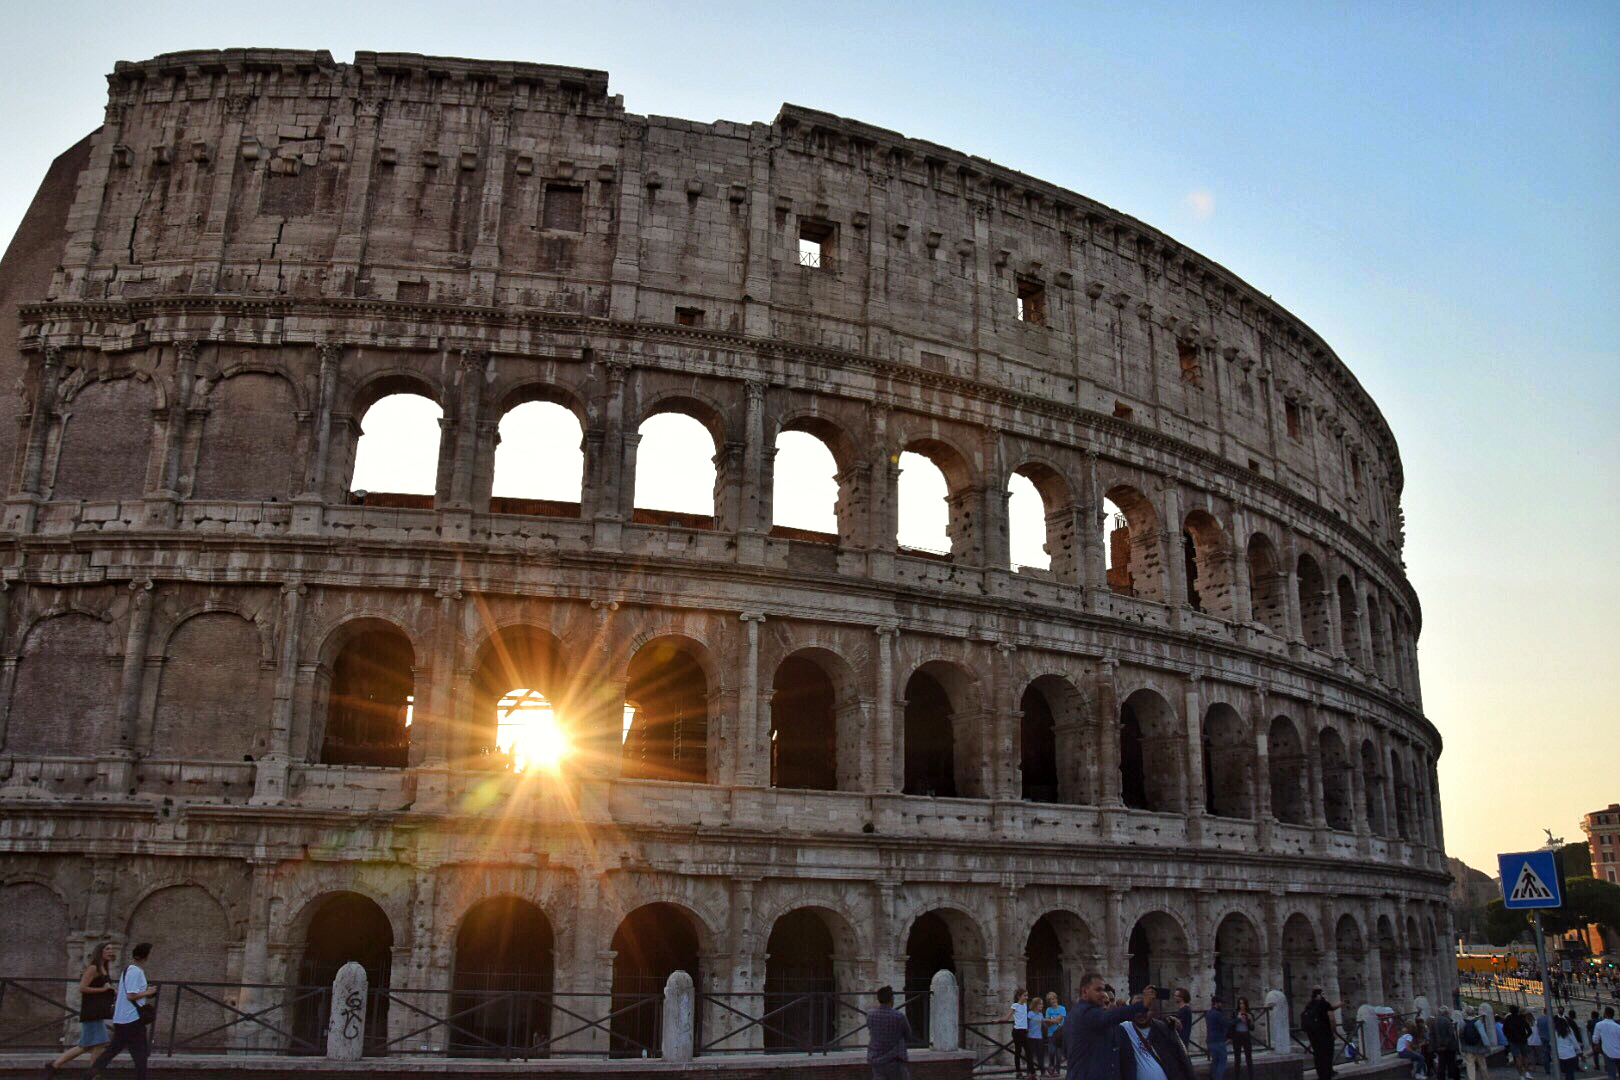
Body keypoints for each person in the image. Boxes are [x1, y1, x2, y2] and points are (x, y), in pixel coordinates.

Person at [86, 941, 156, 1080]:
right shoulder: (135, 972)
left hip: (125, 1019)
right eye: (150, 953)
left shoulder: (130, 969)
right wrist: (149, 992)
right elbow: (131, 995)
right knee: (140, 1053)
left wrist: (146, 991)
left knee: (115, 1050)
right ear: (145, 956)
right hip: (132, 1019)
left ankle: (90, 1074)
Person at [1064, 975, 1154, 1080]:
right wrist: (1142, 1005)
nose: (1102, 994)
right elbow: (1110, 1016)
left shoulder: (1096, 1018)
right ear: (1085, 992)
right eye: (1098, 990)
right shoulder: (1084, 1012)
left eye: (1103, 990)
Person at [46, 942, 117, 1075]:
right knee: (101, 1043)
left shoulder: (104, 967)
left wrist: (112, 991)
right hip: (91, 1011)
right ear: (100, 951)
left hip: (98, 1011)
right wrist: (103, 990)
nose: (110, 951)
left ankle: (55, 1065)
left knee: (85, 1045)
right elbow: (82, 988)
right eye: (107, 949)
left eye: (111, 949)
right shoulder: (93, 968)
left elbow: (104, 987)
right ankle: (93, 1074)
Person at [1119, 1006, 1196, 1080]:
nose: (1141, 1014)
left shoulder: (1164, 1029)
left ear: (1153, 1010)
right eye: (1137, 1009)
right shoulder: (1125, 1028)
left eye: (1146, 1010)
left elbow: (1181, 1059)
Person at [865, 985, 912, 1080]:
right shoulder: (899, 1016)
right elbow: (908, 1034)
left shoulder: (870, 1015)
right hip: (895, 1060)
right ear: (891, 999)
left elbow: (871, 1029)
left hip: (876, 1059)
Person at [1301, 988, 1341, 1080]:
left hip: (1313, 1034)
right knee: (1327, 1054)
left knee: (1318, 1054)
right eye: (1323, 994)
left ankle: (1320, 1074)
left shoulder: (1309, 1005)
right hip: (1325, 1033)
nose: (1325, 996)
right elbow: (1331, 1017)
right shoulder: (1324, 1003)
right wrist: (1334, 1032)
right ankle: (1327, 1074)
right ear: (1319, 995)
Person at [1004, 988, 1033, 1079]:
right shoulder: (1015, 1005)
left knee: (1028, 1052)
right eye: (1024, 995)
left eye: (1027, 995)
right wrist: (998, 1020)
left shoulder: (1026, 1005)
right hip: (1017, 1031)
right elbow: (1007, 1017)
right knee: (1018, 1052)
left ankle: (1031, 1072)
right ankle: (1018, 1072)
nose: (1026, 997)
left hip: (1024, 1031)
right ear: (1019, 996)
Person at [1459, 1005, 1491, 1080]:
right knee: (1482, 1065)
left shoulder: (1463, 1023)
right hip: (1479, 1047)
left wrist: (1461, 1047)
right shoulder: (1478, 1022)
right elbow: (1483, 1035)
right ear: (1474, 1013)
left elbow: (1460, 1036)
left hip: (1468, 1048)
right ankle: (1485, 1078)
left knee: (1470, 1066)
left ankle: (1472, 1078)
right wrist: (1487, 1045)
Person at [1505, 1004, 1534, 1080]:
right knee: (1525, 1056)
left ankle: (1521, 1075)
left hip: (1513, 1041)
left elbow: (1505, 1031)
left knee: (1517, 1057)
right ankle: (1527, 1072)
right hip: (1523, 1040)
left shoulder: (1508, 1019)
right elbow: (1529, 1031)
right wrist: (1525, 1037)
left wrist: (1509, 1038)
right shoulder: (1522, 1018)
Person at [1044, 992, 1068, 1079]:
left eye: (1054, 998)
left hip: (1060, 1033)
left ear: (1056, 999)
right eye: (1051, 999)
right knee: (1051, 1052)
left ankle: (1057, 1070)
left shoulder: (1062, 1008)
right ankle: (1051, 1068)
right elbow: (1046, 1023)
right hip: (1051, 1033)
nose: (1053, 1000)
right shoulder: (1048, 1010)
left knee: (1058, 1053)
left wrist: (1051, 1020)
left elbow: (1059, 1019)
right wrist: (1053, 1021)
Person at [1433, 1005, 1461, 1080]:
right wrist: (1445, 1044)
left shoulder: (1435, 1021)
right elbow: (1450, 1034)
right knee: (1451, 1063)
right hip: (1449, 1047)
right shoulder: (1447, 1021)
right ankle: (1452, 1077)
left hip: (1439, 1047)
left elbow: (1433, 1034)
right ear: (1446, 1013)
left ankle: (1441, 1078)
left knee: (1441, 1064)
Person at [1205, 995, 1230, 1080]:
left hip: (1210, 1041)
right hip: (1218, 1041)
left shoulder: (1208, 1013)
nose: (1222, 1005)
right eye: (1220, 1003)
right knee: (1222, 1062)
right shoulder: (1218, 1014)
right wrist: (1238, 1019)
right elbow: (1226, 1023)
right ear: (1216, 1003)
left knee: (1215, 1062)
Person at [1231, 997, 1255, 1080]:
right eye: (1240, 1003)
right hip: (1237, 1036)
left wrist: (1249, 1020)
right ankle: (1237, 1076)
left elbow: (1252, 1028)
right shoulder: (1235, 1013)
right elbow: (1232, 1024)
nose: (1242, 1005)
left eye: (1243, 1004)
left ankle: (1250, 1076)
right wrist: (1238, 1019)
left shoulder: (1249, 1014)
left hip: (1246, 1036)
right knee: (1237, 1058)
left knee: (1248, 1057)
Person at [1594, 1007, 1620, 1080]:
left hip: (1608, 1052)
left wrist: (1597, 1045)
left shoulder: (1599, 1025)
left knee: (1611, 1074)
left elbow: (1595, 1039)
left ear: (1605, 1014)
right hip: (1618, 1052)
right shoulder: (1618, 1026)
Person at [1555, 1016, 1581, 1080]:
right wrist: (1579, 1050)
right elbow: (1574, 1042)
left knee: (1565, 1072)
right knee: (1570, 1073)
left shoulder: (1555, 1032)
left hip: (1560, 1055)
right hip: (1570, 1054)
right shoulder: (1568, 1030)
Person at [1029, 993, 1048, 1079]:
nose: (1042, 1005)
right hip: (1031, 1037)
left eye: (1042, 1004)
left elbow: (1044, 1023)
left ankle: (1043, 1071)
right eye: (1040, 1004)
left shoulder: (1040, 1014)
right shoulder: (1030, 1014)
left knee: (1040, 1055)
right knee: (1030, 1056)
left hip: (1039, 1037)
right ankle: (1031, 1072)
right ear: (1035, 1004)